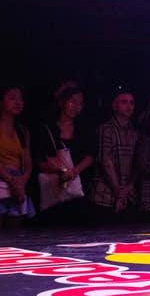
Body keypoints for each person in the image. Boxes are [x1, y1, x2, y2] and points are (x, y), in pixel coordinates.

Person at [36, 87, 94, 226]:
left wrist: (74, 171)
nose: (76, 107)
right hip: (54, 187)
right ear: (62, 102)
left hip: (79, 188)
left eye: (80, 103)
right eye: (73, 102)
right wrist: (59, 170)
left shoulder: (84, 128)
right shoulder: (47, 128)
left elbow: (91, 155)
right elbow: (38, 160)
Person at [89, 87, 139, 224]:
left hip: (128, 195)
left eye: (131, 102)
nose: (129, 106)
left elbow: (137, 162)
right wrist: (118, 190)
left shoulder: (135, 132)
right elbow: (106, 161)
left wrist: (128, 188)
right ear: (114, 106)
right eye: (124, 102)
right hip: (105, 195)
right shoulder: (105, 129)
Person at [0, 83, 36, 228]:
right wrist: (11, 180)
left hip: (18, 181)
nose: (17, 102)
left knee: (15, 228)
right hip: (2, 178)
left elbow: (27, 160)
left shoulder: (22, 130)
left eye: (20, 99)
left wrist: (21, 181)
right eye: (12, 98)